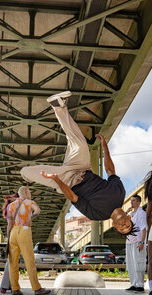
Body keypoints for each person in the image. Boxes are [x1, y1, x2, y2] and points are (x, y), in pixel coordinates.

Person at [20, 91, 135, 235]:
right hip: (81, 167)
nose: (124, 226)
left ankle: (26, 176)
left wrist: (57, 179)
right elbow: (110, 170)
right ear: (129, 217)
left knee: (26, 171)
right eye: (128, 226)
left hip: (67, 181)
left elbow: (73, 197)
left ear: (114, 226)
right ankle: (58, 105)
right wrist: (105, 147)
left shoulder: (96, 215)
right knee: (80, 144)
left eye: (122, 229)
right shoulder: (120, 193)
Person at [6, 186, 51, 295]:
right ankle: (37, 288)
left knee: (13, 263)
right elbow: (37, 210)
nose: (30, 193)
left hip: (13, 233)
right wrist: (29, 219)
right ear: (25, 192)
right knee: (29, 261)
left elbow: (9, 224)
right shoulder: (29, 202)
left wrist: (8, 237)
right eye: (29, 191)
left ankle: (15, 289)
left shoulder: (11, 205)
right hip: (24, 232)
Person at [125, 195, 147, 292]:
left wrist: (142, 242)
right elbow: (123, 222)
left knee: (138, 263)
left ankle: (140, 285)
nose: (131, 203)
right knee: (131, 264)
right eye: (131, 201)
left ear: (138, 202)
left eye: (133, 201)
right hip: (129, 242)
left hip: (137, 242)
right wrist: (126, 211)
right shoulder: (132, 214)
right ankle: (133, 283)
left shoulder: (141, 213)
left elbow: (144, 228)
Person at [0, 192, 19, 294]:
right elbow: (10, 224)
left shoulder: (11, 208)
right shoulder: (13, 208)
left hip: (14, 234)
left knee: (13, 262)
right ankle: (7, 285)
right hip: (14, 234)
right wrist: (9, 236)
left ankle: (10, 285)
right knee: (12, 262)